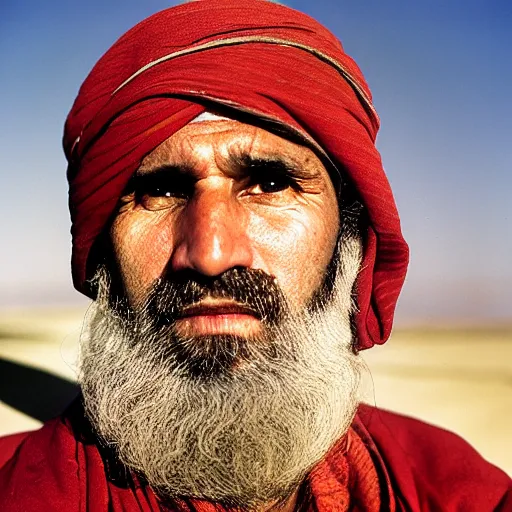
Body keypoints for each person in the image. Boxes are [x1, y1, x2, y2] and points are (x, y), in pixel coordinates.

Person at [0, 1, 510, 510]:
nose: (211, 253)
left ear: (347, 237)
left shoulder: (457, 491)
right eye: (160, 191)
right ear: (103, 251)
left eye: (270, 183)